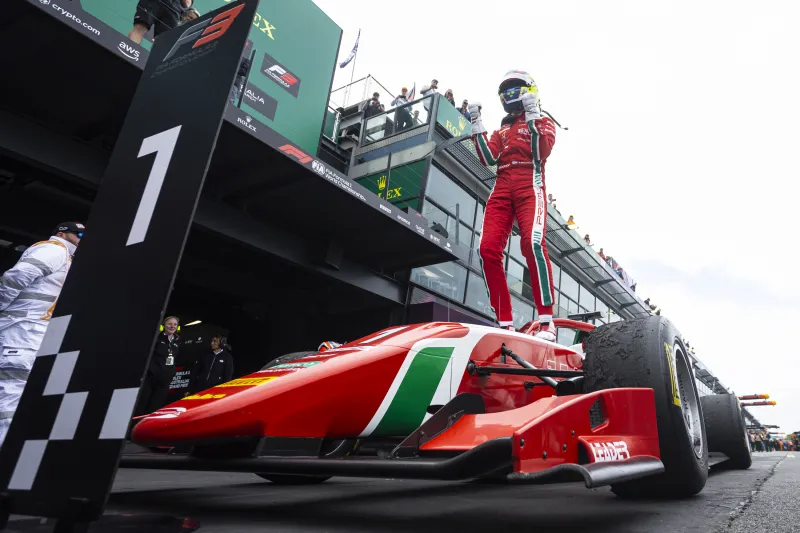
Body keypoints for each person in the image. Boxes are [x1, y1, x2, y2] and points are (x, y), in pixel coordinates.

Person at [468, 70, 558, 340]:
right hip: (502, 185)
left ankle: (546, 322)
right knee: (487, 249)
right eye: (505, 93)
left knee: (532, 243)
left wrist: (532, 116)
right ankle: (504, 321)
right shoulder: (502, 130)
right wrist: (476, 122)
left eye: (514, 91)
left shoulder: (545, 121)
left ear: (530, 91)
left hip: (530, 183)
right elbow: (487, 157)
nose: (509, 97)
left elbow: (541, 151)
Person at [0, 222, 83, 446]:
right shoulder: (54, 249)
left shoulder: (67, 258)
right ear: (62, 234)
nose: (83, 238)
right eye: (79, 233)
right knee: (11, 394)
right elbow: (17, 277)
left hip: (30, 332)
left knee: (18, 393)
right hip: (21, 332)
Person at [135, 316, 180, 416]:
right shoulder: (156, 338)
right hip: (151, 379)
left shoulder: (177, 342)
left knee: (155, 407)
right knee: (141, 406)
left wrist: (171, 373)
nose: (172, 326)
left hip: (164, 382)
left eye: (175, 324)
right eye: (169, 324)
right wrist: (153, 371)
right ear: (164, 325)